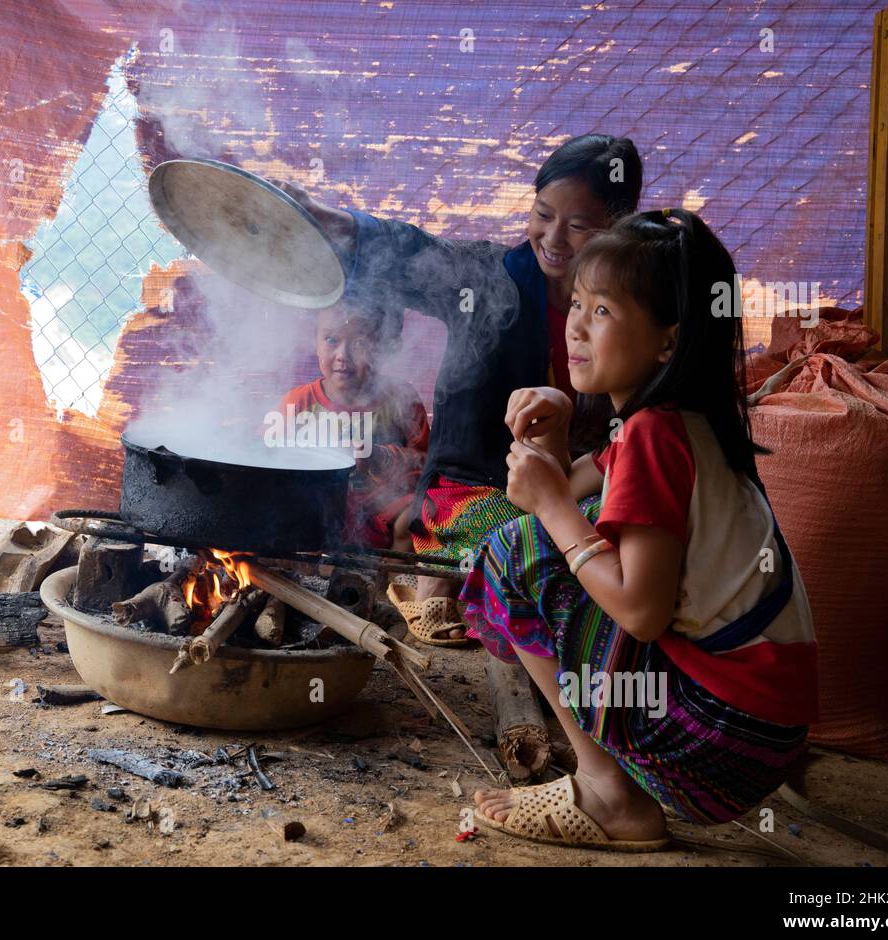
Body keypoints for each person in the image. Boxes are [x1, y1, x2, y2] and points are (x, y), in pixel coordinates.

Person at [461, 209, 818, 850]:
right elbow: (566, 491)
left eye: (603, 311)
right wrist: (558, 432)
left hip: (716, 740)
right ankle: (608, 782)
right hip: (755, 734)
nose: (575, 324)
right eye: (577, 303)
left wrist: (548, 504)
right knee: (550, 536)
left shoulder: (655, 433)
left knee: (514, 552)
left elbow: (639, 611)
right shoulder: (673, 421)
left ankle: (605, 791)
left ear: (667, 342)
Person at [276, 134, 643, 645]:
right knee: (517, 543)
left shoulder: (629, 310)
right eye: (542, 214)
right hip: (472, 490)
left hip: (577, 486)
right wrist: (338, 223)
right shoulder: (491, 277)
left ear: (616, 228)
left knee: (610, 535)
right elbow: (417, 253)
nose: (554, 238)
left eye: (579, 225)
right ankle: (448, 589)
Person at [278, 303, 428, 552]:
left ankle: (390, 583)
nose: (342, 355)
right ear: (316, 344)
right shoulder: (297, 403)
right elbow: (266, 460)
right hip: (318, 509)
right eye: (331, 340)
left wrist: (382, 457)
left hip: (380, 509)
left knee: (415, 515)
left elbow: (426, 465)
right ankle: (316, 575)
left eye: (359, 343)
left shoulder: (402, 400)